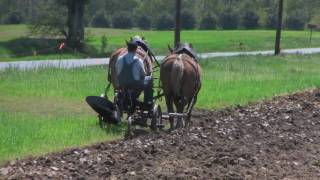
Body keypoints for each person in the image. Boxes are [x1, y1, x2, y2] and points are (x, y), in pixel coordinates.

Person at [115, 38, 153, 109]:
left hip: (122, 83)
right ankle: (148, 101)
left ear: (127, 49)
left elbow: (117, 71)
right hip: (135, 84)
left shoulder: (120, 59)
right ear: (136, 50)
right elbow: (143, 74)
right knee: (149, 79)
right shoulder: (138, 61)